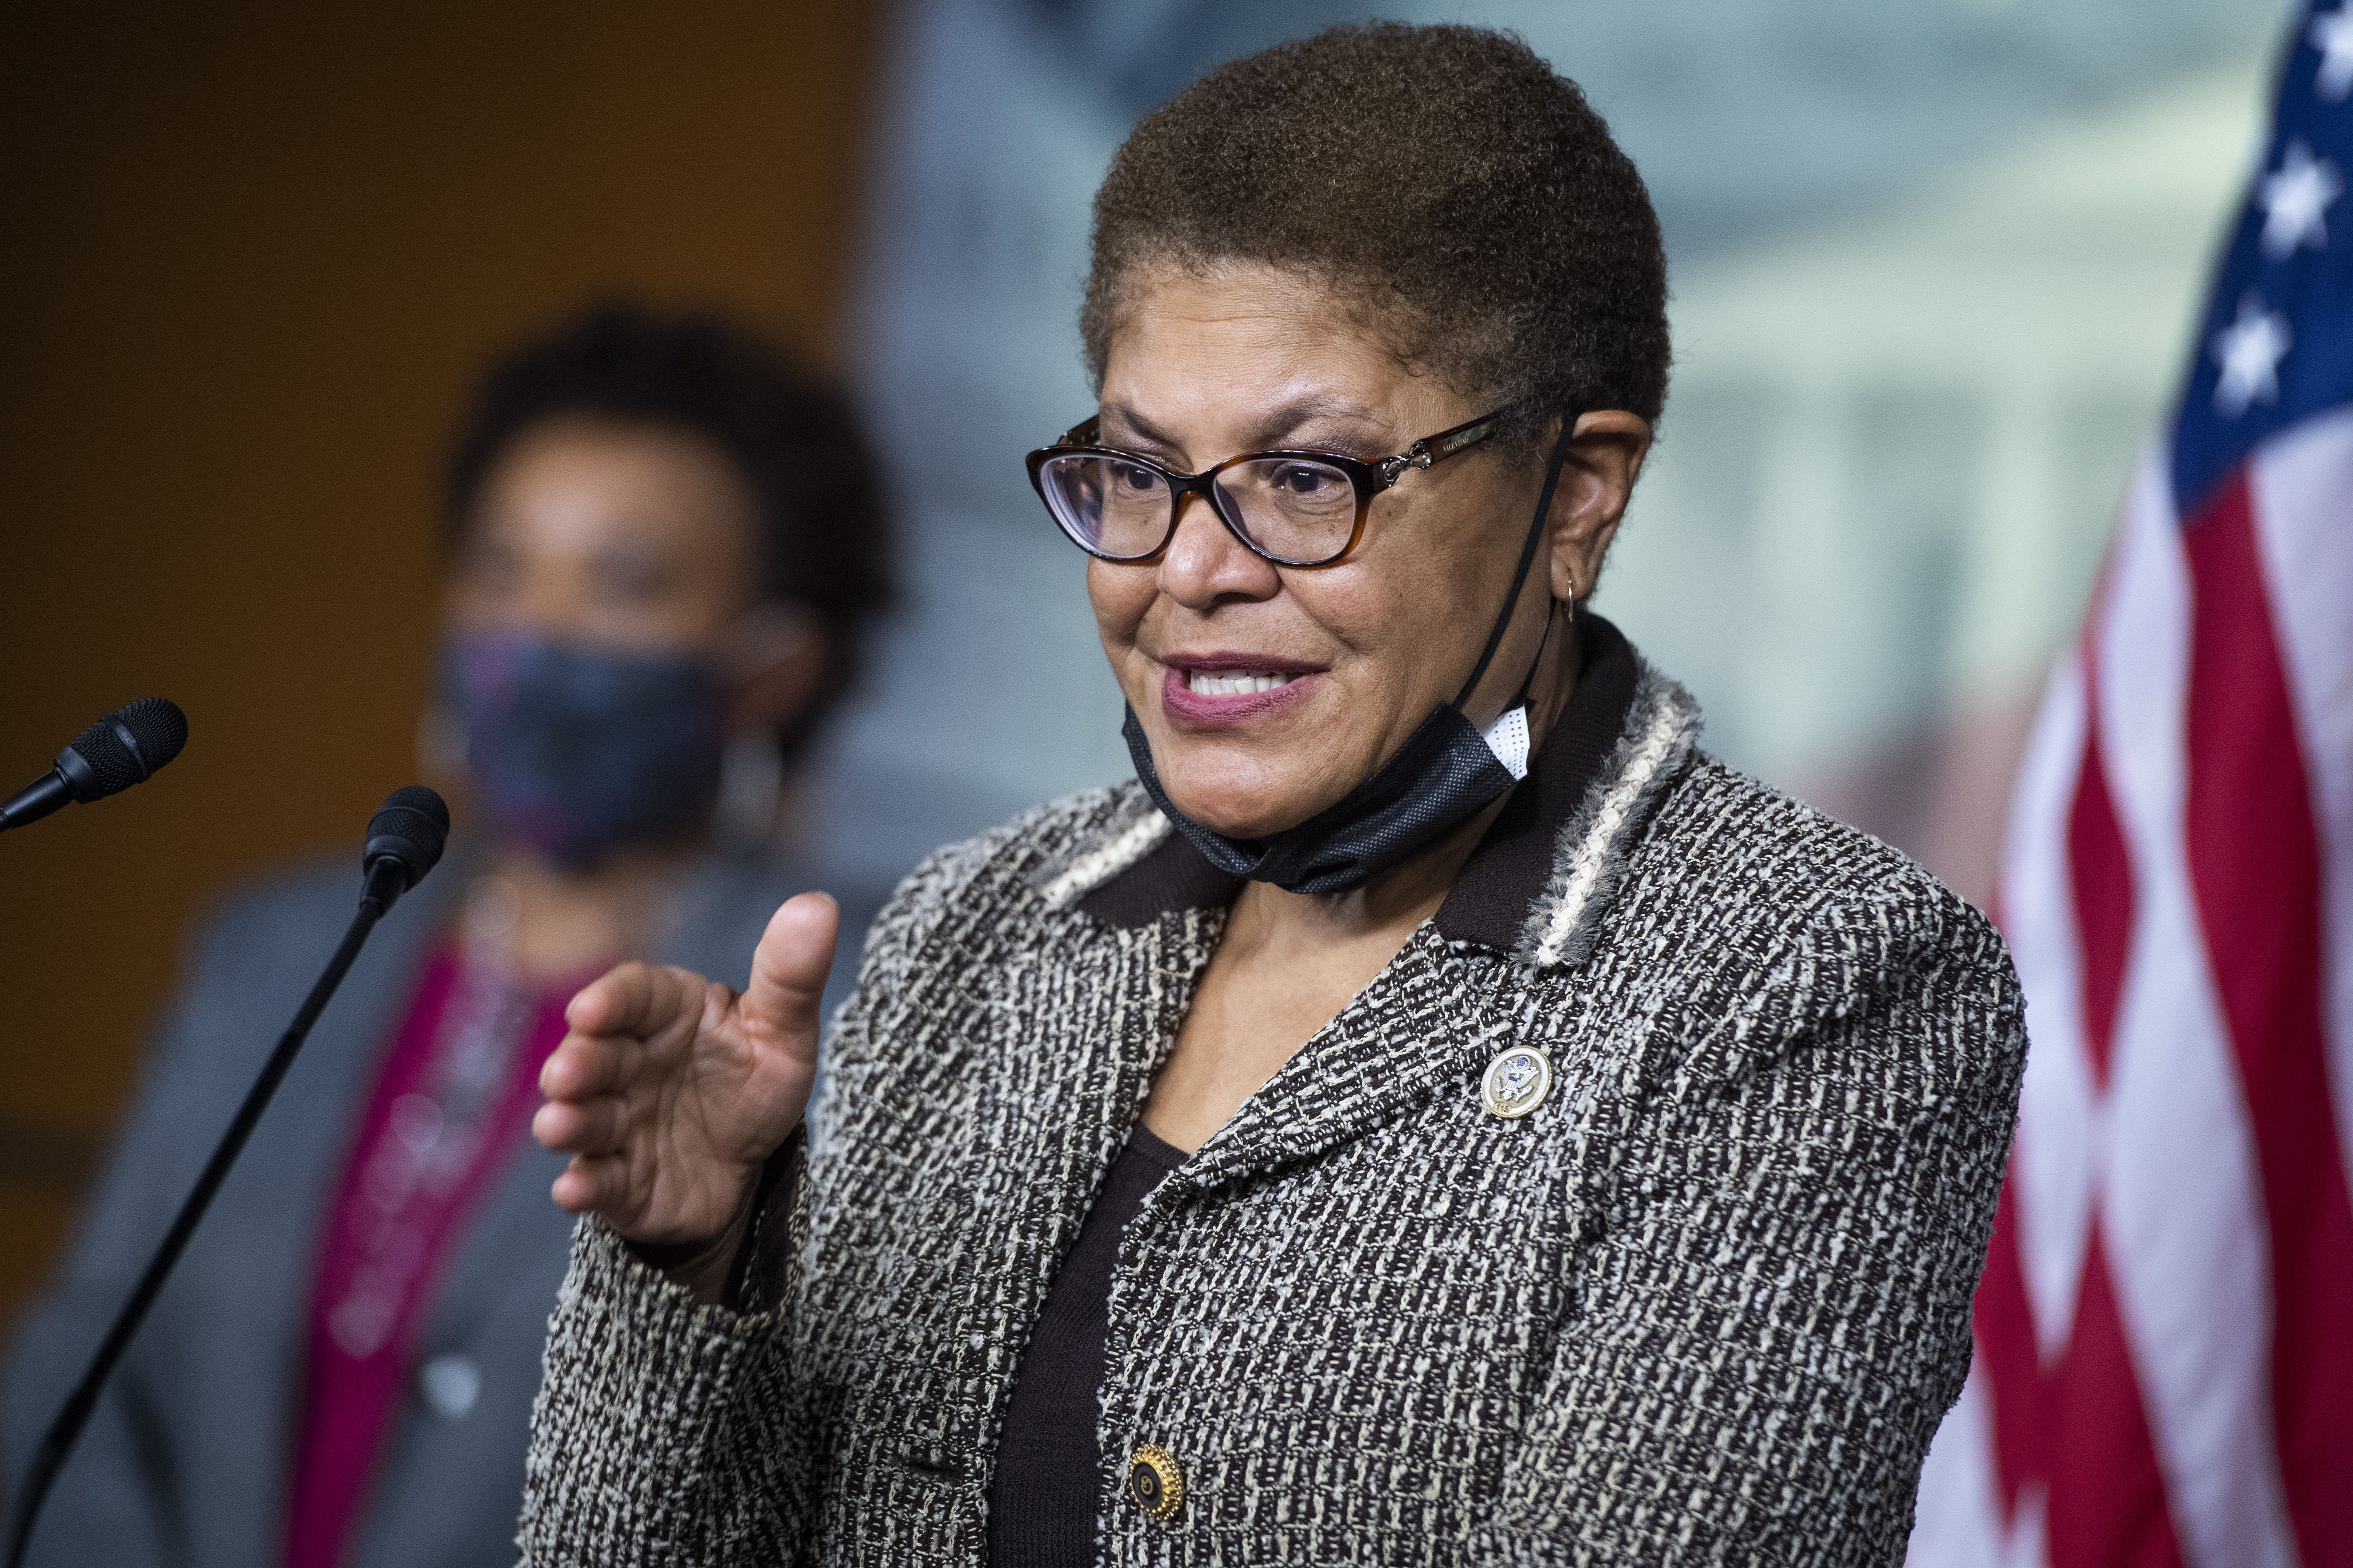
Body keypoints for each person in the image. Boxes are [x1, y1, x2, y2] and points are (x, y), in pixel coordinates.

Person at [519, 26, 2026, 1567]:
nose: (1186, 569)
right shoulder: (974, 925)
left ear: (1578, 493)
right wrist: (700, 1272)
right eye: (1135, 471)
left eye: (1308, 479)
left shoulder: (1818, 981)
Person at [1, 303, 893, 1568]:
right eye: (498, 566)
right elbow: (78, 1363)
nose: (536, 629)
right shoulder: (272, 947)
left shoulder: (853, 1006)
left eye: (623, 584)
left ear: (774, 669)